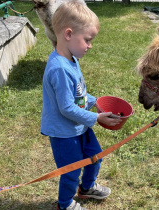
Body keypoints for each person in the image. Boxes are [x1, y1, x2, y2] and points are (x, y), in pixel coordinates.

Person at [40, 1, 122, 209]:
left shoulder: (71, 60)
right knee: (71, 170)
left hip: (80, 126)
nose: (90, 45)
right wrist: (96, 117)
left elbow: (78, 94)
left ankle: (86, 189)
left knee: (95, 156)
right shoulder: (59, 68)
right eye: (87, 40)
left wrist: (96, 102)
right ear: (68, 34)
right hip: (64, 133)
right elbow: (66, 108)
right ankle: (65, 204)